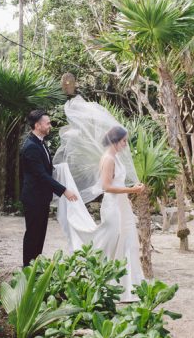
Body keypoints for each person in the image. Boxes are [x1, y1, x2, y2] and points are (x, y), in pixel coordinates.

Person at [53, 97, 146, 302]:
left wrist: (131, 191)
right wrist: (131, 190)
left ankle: (129, 286)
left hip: (122, 206)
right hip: (113, 206)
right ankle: (95, 274)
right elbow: (106, 187)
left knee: (128, 241)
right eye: (123, 141)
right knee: (110, 239)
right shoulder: (108, 159)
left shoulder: (115, 157)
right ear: (115, 140)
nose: (125, 144)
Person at [20, 109, 78, 267]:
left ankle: (35, 266)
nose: (50, 125)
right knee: (33, 234)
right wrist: (64, 190)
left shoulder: (40, 142)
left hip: (41, 197)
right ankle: (28, 268)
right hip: (33, 198)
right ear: (38, 125)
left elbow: (46, 169)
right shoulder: (31, 146)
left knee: (40, 234)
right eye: (48, 123)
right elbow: (41, 175)